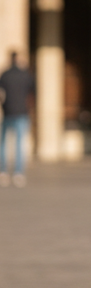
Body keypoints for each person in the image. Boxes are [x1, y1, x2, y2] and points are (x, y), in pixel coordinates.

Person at [0, 51, 35, 188]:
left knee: (3, 143)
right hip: (22, 112)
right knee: (20, 144)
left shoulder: (5, 74)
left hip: (8, 112)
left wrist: (3, 105)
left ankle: (3, 171)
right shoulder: (25, 75)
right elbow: (33, 92)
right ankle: (18, 172)